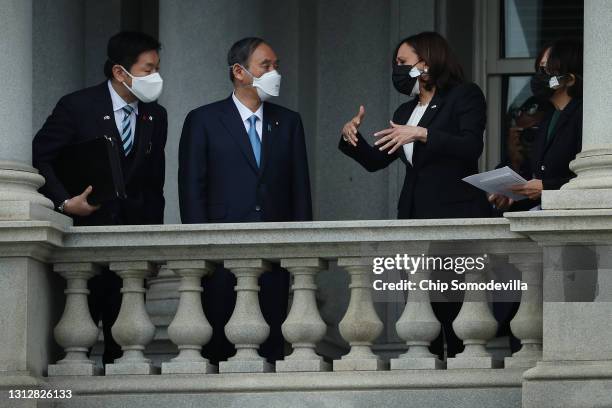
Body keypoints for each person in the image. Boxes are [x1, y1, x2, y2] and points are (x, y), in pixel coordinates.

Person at [339, 31, 490, 360]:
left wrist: (423, 133)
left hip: (454, 220)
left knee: (457, 313)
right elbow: (376, 160)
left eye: (402, 63)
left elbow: (470, 147)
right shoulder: (406, 109)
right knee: (424, 314)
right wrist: (352, 138)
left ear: (427, 61)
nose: (397, 68)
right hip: (414, 221)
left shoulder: (464, 95)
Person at [32, 31, 168, 366]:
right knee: (76, 338)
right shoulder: (77, 106)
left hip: (132, 240)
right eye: (147, 69)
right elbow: (41, 155)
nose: (155, 77)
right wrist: (64, 203)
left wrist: (155, 241)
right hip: (85, 235)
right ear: (120, 72)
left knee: (124, 341)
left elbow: (154, 183)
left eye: (157, 68)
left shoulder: (156, 115)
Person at [178, 37, 312, 364]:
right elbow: (192, 188)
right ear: (239, 71)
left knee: (271, 345)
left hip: (275, 255)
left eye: (276, 65)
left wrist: (301, 250)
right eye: (266, 66)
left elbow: (300, 191)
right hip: (221, 255)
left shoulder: (289, 122)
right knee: (219, 346)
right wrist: (202, 250)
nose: (275, 72)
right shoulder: (204, 120)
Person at [490, 38, 583, 210]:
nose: (540, 76)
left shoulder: (584, 116)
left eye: (547, 69)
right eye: (540, 69)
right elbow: (540, 177)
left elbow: (589, 179)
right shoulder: (549, 118)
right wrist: (514, 193)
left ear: (569, 79)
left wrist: (546, 187)